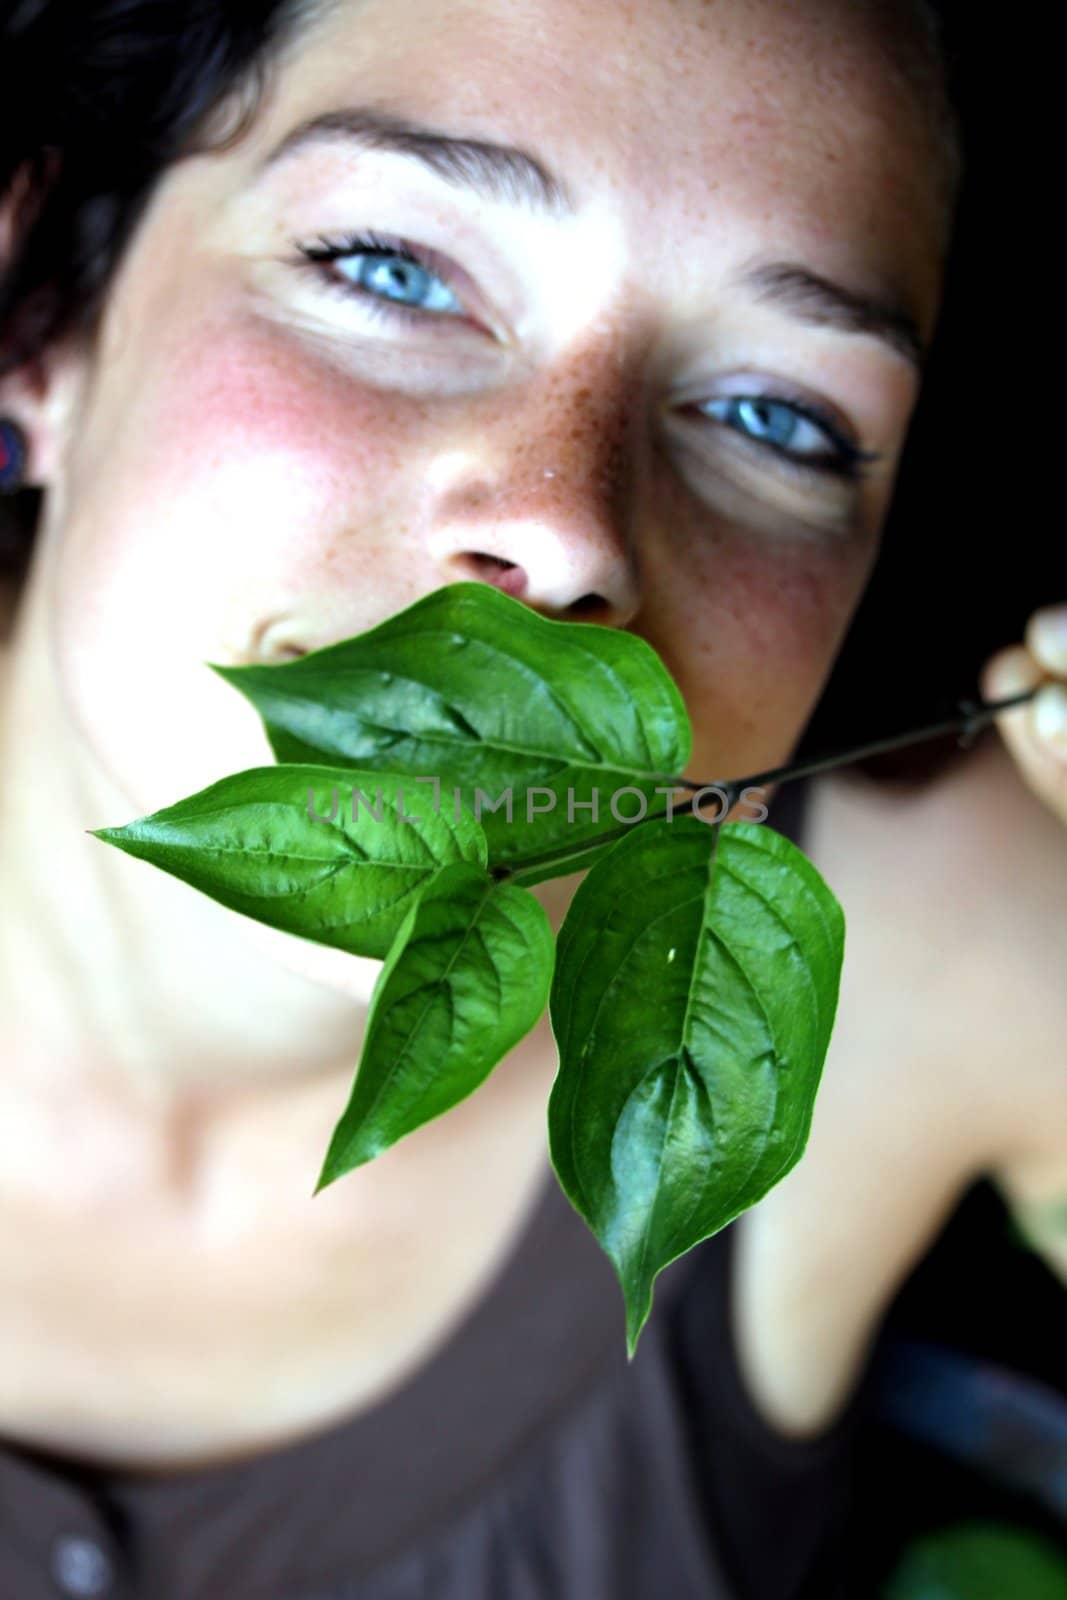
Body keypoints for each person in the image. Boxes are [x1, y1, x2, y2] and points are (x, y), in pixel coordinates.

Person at [0, 0, 1063, 1595]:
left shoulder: (934, 941)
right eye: (392, 268)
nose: (569, 531)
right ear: (45, 322)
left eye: (780, 416)